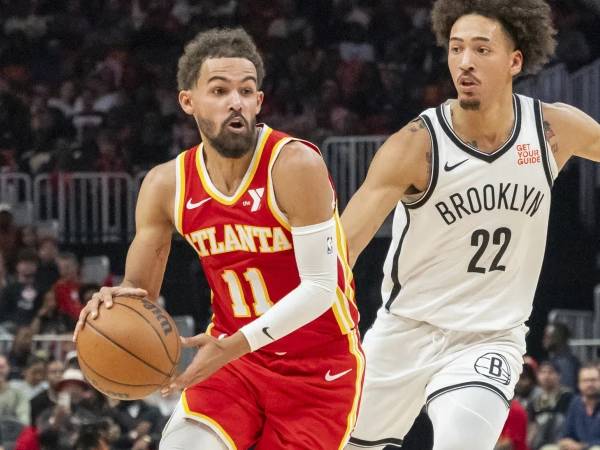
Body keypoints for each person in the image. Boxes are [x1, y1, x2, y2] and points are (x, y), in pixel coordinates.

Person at [74, 27, 363, 450]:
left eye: (247, 91)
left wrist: (232, 347)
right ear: (187, 100)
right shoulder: (165, 185)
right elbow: (140, 294)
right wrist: (112, 303)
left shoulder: (294, 164)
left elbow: (321, 288)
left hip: (318, 371)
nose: (236, 102)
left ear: (259, 102)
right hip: (234, 365)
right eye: (220, 90)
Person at [341, 0, 600, 449]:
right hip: (405, 331)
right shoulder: (415, 146)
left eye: (482, 50)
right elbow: (341, 248)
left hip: (490, 338)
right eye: (456, 48)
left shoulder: (552, 130)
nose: (465, 62)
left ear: (515, 60)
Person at [527, 361, 573, 450]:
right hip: (539, 443)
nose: (546, 376)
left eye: (550, 372)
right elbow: (532, 427)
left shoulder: (568, 397)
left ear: (559, 375)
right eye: (542, 372)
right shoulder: (534, 401)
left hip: (562, 442)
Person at [553, 364, 600, 450]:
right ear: (579, 384)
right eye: (585, 381)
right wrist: (565, 441)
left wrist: (583, 446)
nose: (590, 384)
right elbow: (567, 432)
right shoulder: (575, 403)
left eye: (593, 380)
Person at [543, 322, 581, 391]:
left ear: (560, 338)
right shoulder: (557, 358)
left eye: (548, 337)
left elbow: (567, 391)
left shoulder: (565, 362)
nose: (544, 340)